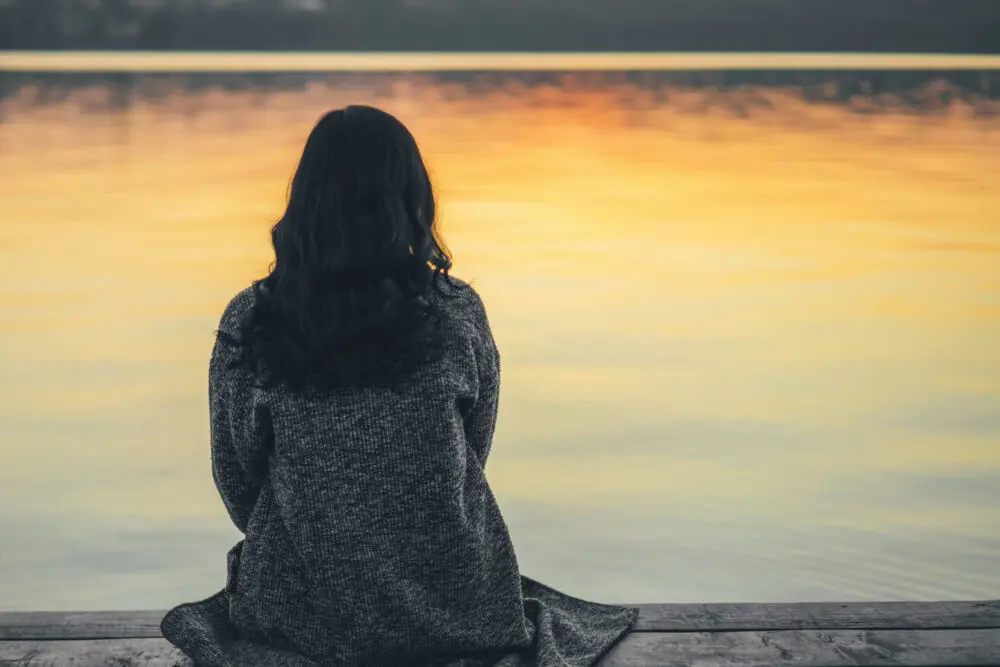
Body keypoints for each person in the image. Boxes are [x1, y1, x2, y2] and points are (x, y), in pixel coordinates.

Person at [160, 105, 638, 667]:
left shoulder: (252, 320)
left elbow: (237, 478)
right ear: (412, 199)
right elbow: (472, 451)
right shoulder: (457, 310)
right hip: (459, 608)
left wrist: (325, 531)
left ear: (307, 203)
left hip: (305, 615)